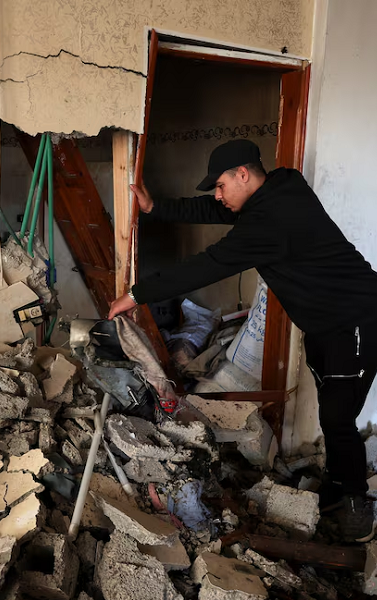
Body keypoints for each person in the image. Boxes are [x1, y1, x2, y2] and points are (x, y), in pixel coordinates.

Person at [108, 139, 377, 543]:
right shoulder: (283, 184)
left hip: (356, 320)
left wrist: (135, 294)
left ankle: (356, 504)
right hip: (324, 326)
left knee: (339, 416)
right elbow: (216, 209)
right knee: (334, 410)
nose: (217, 195)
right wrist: (155, 207)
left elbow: (206, 265)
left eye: (220, 185)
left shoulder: (271, 223)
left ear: (243, 175)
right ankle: (338, 487)